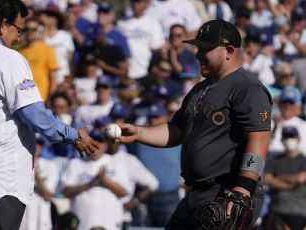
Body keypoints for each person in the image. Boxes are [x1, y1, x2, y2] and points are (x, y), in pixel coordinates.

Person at [0, 1, 99, 230]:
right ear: (3, 25)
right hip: (1, 174)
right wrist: (73, 136)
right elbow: (33, 113)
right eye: (19, 29)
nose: (19, 38)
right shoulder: (7, 58)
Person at [116, 19, 272, 229]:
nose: (198, 54)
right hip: (196, 194)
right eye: (198, 48)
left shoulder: (247, 86)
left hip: (225, 191)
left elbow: (258, 138)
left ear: (228, 51)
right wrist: (139, 132)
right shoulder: (200, 89)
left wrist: (243, 188)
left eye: (205, 49)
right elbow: (176, 131)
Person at [264, 126, 306, 230]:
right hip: (276, 210)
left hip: (297, 212)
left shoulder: (305, 160)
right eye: (286, 137)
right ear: (281, 140)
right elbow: (267, 179)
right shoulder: (275, 160)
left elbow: (300, 178)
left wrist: (277, 178)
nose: (289, 140)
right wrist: (289, 183)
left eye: (292, 137)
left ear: (299, 139)